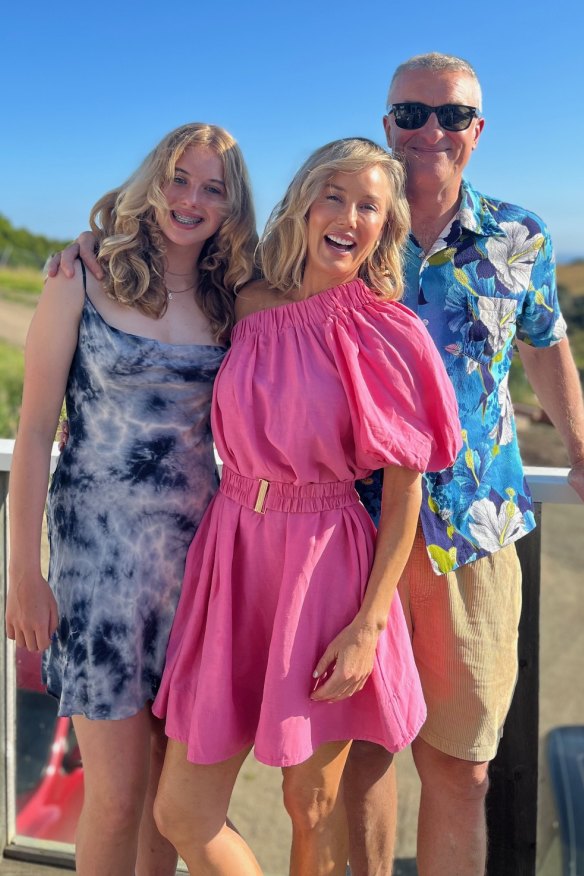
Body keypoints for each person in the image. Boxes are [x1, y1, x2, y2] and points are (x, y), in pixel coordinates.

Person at [147, 137, 461, 876]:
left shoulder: (386, 331)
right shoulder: (246, 301)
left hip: (324, 566)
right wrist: (83, 256)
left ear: (385, 227)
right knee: (182, 812)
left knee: (311, 808)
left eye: (370, 206)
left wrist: (369, 624)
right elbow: (162, 249)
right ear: (306, 201)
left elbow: (405, 486)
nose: (349, 216)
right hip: (231, 552)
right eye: (336, 196)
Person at [342, 53, 584, 876]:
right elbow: (243, 296)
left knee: (464, 768)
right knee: (360, 760)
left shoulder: (521, 237)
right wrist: (99, 251)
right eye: (410, 114)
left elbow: (546, 349)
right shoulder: (345, 226)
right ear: (387, 126)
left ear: (477, 132)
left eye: (451, 116)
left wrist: (581, 447)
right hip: (353, 533)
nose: (429, 131)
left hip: (473, 535)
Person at [5, 122, 257, 876]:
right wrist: (23, 571)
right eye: (181, 177)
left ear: (230, 204)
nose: (192, 199)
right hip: (97, 573)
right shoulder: (78, 277)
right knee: (113, 800)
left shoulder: (232, 299)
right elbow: (34, 431)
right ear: (154, 180)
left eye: (213, 188)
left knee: (168, 804)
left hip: (195, 568)